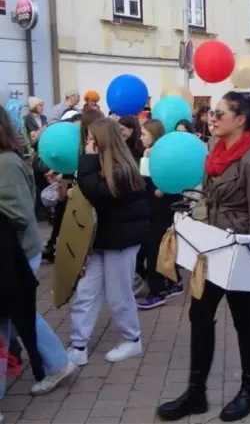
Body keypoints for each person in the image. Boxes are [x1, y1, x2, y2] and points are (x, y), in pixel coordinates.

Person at [157, 93, 250, 423]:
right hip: (210, 249)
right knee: (199, 314)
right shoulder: (214, 152)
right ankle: (196, 393)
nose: (211, 117)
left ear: (240, 120)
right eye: (210, 111)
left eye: (219, 112)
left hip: (239, 253)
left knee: (245, 321)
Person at [0, 105, 76, 396]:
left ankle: (57, 363)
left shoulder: (6, 163)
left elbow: (17, 211)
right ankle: (57, 363)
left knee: (17, 313)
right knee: (13, 315)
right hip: (15, 252)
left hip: (17, 252)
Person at [66, 119, 149, 366]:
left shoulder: (123, 169)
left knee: (118, 294)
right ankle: (78, 344)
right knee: (86, 293)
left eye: (93, 140)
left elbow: (96, 193)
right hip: (102, 240)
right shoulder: (105, 165)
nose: (88, 144)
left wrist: (88, 160)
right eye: (87, 139)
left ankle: (132, 339)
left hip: (120, 242)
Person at [42, 109, 103, 263]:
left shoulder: (95, 150)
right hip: (74, 193)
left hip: (85, 200)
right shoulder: (81, 144)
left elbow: (88, 175)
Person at [137, 119, 183, 310]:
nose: (141, 138)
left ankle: (157, 291)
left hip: (162, 208)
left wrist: (162, 187)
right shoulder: (148, 153)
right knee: (161, 246)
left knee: (155, 248)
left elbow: (171, 178)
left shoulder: (161, 154)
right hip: (153, 207)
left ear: (153, 136)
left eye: (144, 134)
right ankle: (174, 282)